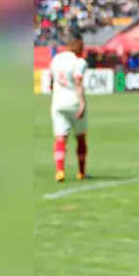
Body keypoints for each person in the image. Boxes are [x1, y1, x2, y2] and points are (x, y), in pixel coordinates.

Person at [49, 33, 88, 181]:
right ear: (75, 44)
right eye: (81, 44)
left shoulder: (56, 59)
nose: (83, 47)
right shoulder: (79, 61)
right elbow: (78, 82)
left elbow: (52, 81)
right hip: (74, 102)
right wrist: (82, 102)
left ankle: (60, 171)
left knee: (60, 137)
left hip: (58, 103)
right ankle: (81, 172)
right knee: (80, 137)